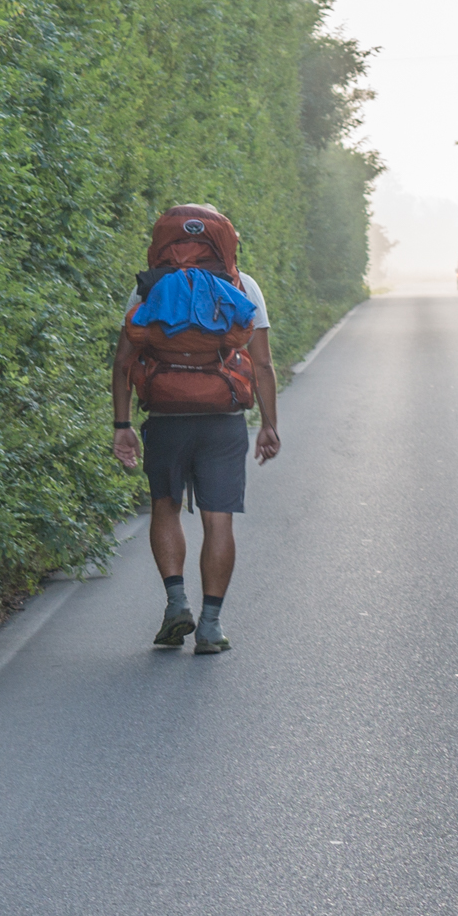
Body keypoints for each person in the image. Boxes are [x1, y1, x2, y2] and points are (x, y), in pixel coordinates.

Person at [112, 205, 280, 654]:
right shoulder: (242, 287)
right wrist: (268, 425)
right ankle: (210, 626)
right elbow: (262, 364)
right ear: (226, 245)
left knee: (165, 508)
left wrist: (123, 425)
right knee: (217, 518)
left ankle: (175, 605)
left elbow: (124, 361)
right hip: (222, 420)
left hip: (165, 417)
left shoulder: (147, 288)